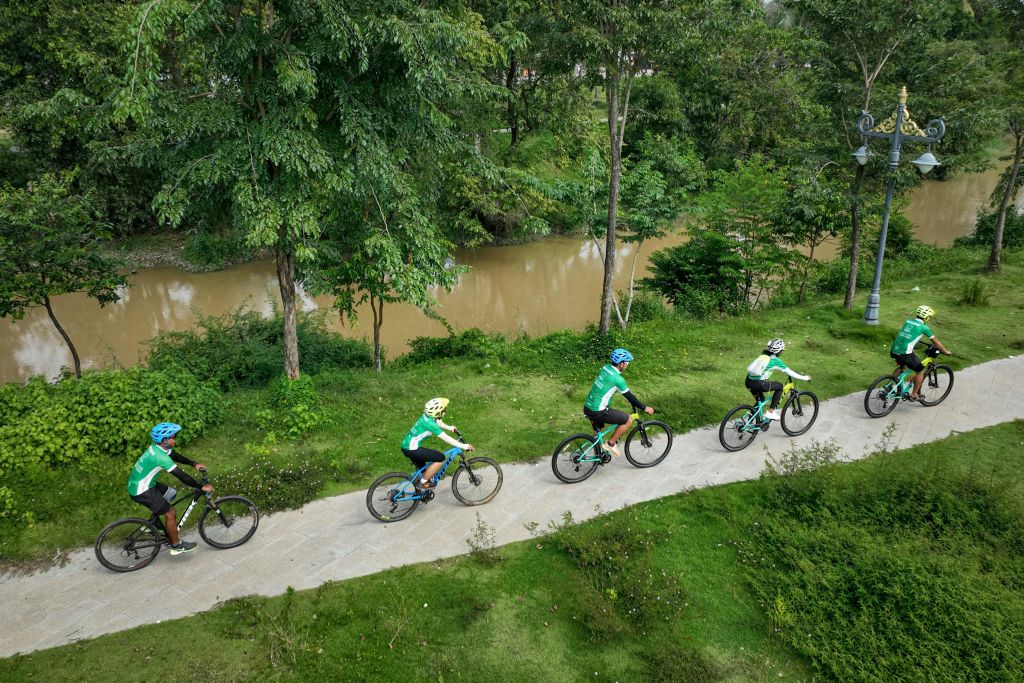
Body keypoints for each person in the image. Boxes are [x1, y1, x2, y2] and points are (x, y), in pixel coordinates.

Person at [128, 422, 212, 555]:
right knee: (170, 512)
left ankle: (152, 525)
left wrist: (194, 464)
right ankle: (176, 545)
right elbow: (182, 476)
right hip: (142, 491)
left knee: (171, 494)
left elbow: (174, 455)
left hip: (141, 484)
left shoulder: (157, 448)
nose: (175, 439)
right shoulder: (160, 457)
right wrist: (201, 487)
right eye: (174, 437)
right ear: (165, 440)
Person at [583, 348, 655, 458]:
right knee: (628, 420)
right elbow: (631, 398)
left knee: (599, 430)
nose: (627, 366)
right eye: (627, 363)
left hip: (588, 407)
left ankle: (598, 456)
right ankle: (611, 444)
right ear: (621, 364)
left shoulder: (606, 368)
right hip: (598, 411)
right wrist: (645, 408)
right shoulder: (618, 379)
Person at [400, 398, 474, 490]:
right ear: (437, 412)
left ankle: (422, 485)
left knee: (424, 471)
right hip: (412, 449)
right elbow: (446, 438)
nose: (444, 411)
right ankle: (423, 483)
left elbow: (437, 421)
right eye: (443, 410)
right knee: (440, 458)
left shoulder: (427, 416)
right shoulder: (430, 425)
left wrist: (449, 427)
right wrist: (464, 446)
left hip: (406, 446)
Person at [890, 305, 950, 402]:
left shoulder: (908, 321)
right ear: (927, 317)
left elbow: (907, 336)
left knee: (902, 366)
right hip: (905, 353)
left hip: (894, 350)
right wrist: (944, 351)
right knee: (920, 370)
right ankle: (914, 395)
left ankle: (889, 386)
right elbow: (936, 342)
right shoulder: (924, 327)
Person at [745, 339, 811, 421]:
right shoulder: (775, 361)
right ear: (779, 351)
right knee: (779, 386)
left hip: (748, 382)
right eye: (782, 351)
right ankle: (771, 411)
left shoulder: (763, 356)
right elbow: (789, 372)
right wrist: (805, 378)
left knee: (761, 400)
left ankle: (748, 422)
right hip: (759, 384)